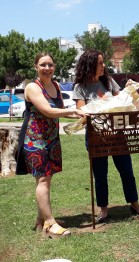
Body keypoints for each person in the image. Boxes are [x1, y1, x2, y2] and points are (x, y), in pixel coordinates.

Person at [16, 52, 87, 238]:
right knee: (43, 180)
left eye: (50, 65)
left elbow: (59, 111)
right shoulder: (32, 87)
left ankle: (41, 220)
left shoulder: (55, 85)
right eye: (43, 65)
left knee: (47, 179)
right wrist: (74, 111)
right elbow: (48, 110)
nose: (47, 68)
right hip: (35, 140)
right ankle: (50, 223)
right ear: (36, 67)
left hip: (52, 139)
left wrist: (80, 115)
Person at [72, 50, 139, 223]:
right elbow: (82, 114)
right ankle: (103, 209)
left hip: (118, 136)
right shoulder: (80, 87)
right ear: (90, 64)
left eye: (103, 62)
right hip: (96, 138)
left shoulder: (108, 81)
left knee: (127, 171)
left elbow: (121, 103)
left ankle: (134, 203)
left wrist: (129, 91)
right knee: (100, 175)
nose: (103, 66)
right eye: (99, 62)